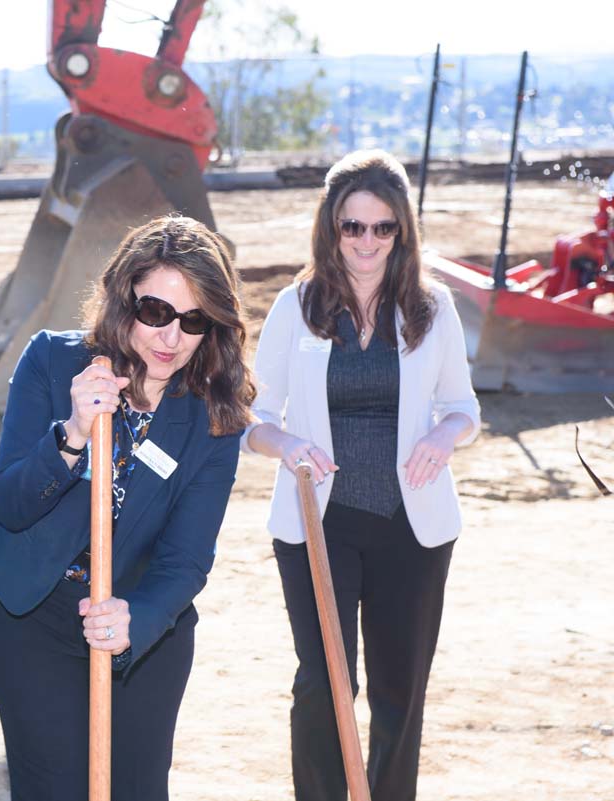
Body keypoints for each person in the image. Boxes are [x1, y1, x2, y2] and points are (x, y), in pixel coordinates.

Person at [0, 215, 255, 801]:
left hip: (140, 623)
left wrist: (138, 615)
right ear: (122, 297)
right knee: (56, 790)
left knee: (137, 791)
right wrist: (71, 434)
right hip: (33, 615)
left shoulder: (214, 417)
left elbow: (185, 560)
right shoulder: (53, 364)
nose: (171, 337)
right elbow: (11, 505)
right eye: (155, 312)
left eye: (193, 320)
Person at [242, 149, 481, 801]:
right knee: (325, 680)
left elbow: (465, 407)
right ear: (331, 228)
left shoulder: (434, 308)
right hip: (318, 524)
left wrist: (443, 431)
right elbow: (252, 417)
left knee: (400, 687)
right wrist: (284, 441)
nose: (367, 241)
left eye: (383, 227)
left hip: (415, 526)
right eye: (353, 226)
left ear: (402, 230)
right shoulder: (297, 307)